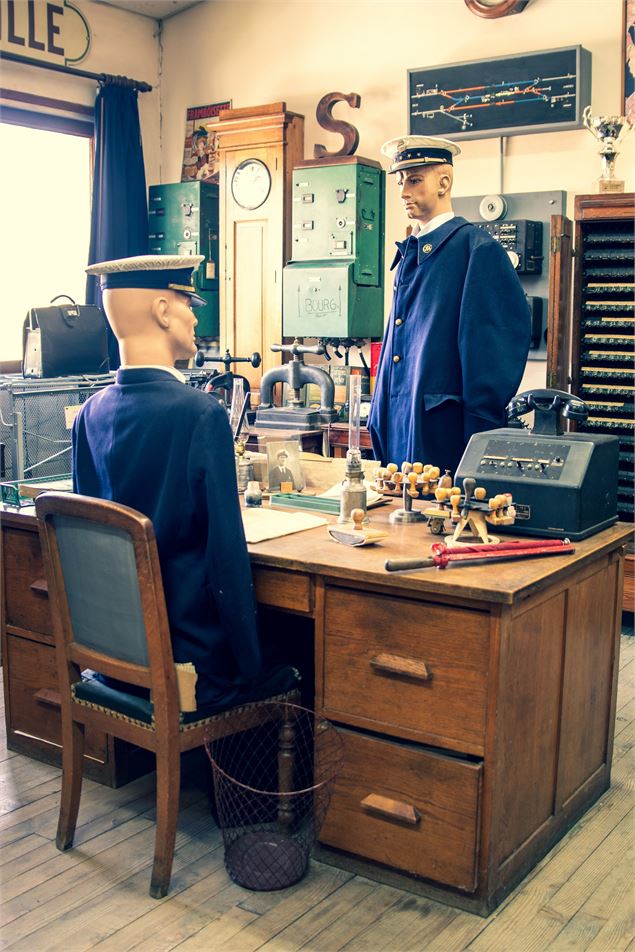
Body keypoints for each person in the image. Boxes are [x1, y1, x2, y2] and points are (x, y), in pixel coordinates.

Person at [73, 255, 297, 711]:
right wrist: (251, 668)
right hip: (189, 669)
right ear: (161, 311)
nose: (196, 315)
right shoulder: (200, 414)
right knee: (300, 649)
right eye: (188, 302)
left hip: (112, 661)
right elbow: (226, 558)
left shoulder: (88, 414)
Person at [368, 135, 531, 477]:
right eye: (400, 182)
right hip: (400, 424)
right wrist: (379, 414)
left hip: (441, 435)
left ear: (444, 182)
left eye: (414, 180)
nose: (403, 193)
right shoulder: (412, 251)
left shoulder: (476, 251)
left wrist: (478, 446)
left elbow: (491, 359)